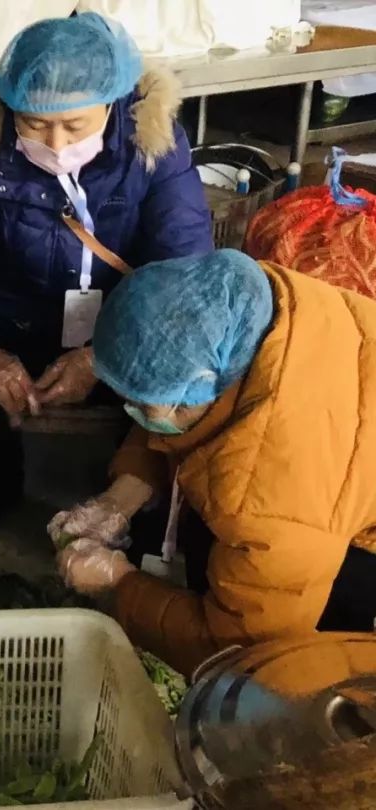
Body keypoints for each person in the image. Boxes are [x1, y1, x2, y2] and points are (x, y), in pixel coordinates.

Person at [0, 12, 213, 543]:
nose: (56, 142)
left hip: (122, 320)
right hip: (13, 313)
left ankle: (135, 492)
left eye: (75, 125)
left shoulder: (155, 145)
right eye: (35, 123)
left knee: (185, 370)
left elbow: (184, 274)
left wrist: (99, 357)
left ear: (113, 105)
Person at [51, 249, 376, 677]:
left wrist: (118, 582)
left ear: (195, 395)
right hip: (341, 450)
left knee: (297, 666)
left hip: (334, 516)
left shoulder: (273, 500)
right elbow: (173, 392)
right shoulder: (252, 299)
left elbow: (240, 648)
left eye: (141, 405)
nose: (133, 412)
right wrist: (120, 498)